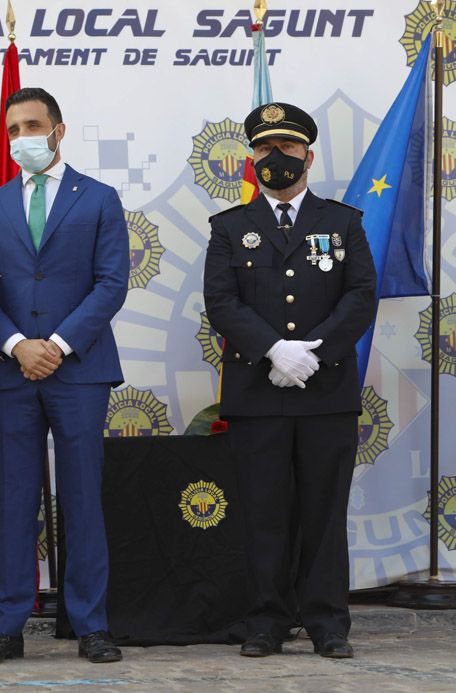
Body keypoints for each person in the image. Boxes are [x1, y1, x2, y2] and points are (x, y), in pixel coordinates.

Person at [203, 102, 376, 659]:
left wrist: (313, 353)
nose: (276, 159)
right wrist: (275, 350)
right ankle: (266, 622)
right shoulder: (230, 227)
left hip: (326, 392)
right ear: (251, 158)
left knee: (325, 512)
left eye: (288, 149)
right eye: (265, 149)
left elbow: (360, 294)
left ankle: (328, 622)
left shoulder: (343, 221)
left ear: (308, 154)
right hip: (258, 390)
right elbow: (221, 301)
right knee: (263, 510)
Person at [0, 88, 129, 664]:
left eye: (32, 125)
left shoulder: (101, 199)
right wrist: (16, 345)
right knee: (14, 499)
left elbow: (112, 284)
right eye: (12, 129)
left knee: (83, 497)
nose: (21, 138)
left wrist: (56, 346)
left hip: (79, 371)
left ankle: (90, 624)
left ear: (59, 129)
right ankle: (8, 624)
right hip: (14, 374)